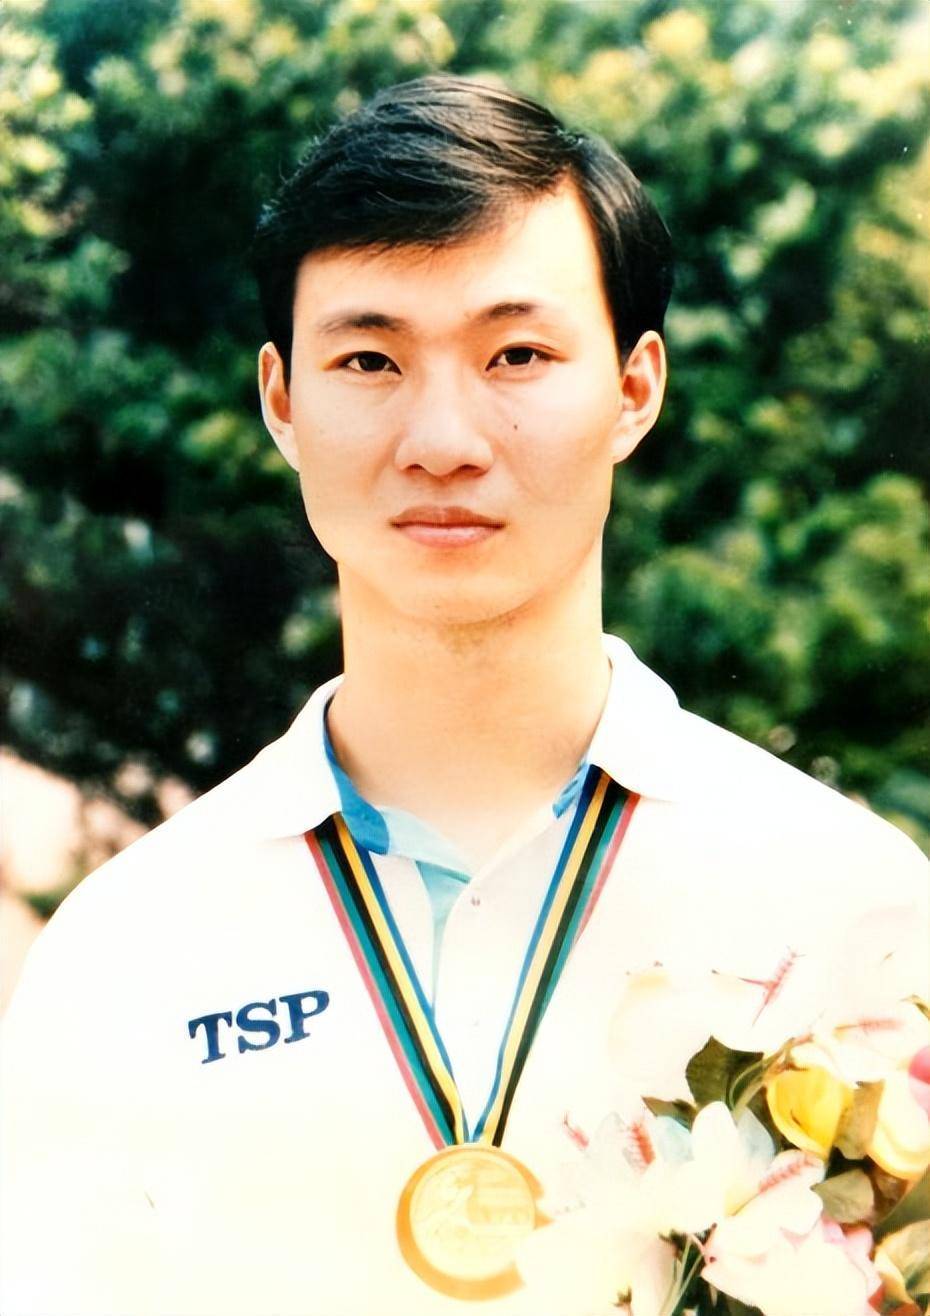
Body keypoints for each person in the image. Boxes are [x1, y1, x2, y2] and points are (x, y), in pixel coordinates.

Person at [2, 75, 927, 1316]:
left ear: (635, 388)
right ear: (281, 400)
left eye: (518, 355)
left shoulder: (850, 906)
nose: (442, 437)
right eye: (370, 358)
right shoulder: (124, 950)